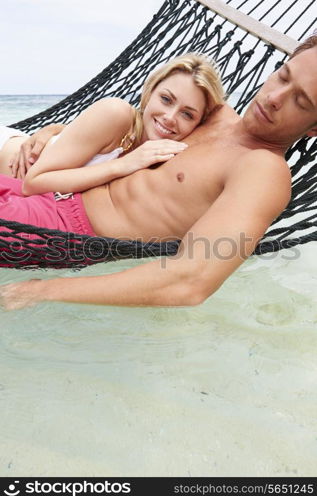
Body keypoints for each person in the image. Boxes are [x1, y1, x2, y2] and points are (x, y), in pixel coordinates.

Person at [1, 34, 317, 310]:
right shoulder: (213, 114)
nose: (274, 98)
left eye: (300, 101)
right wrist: (53, 132)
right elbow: (139, 127)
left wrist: (39, 290)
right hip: (43, 199)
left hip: (59, 235)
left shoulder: (262, 171)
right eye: (283, 76)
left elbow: (191, 280)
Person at [0, 53, 225, 236]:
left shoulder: (165, 158)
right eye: (166, 99)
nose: (169, 117)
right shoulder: (116, 114)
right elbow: (33, 183)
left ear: (198, 124)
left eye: (187, 114)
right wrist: (122, 165)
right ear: (149, 94)